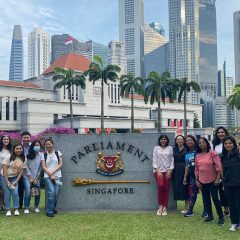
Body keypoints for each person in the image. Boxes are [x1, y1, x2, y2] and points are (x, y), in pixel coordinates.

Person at [195, 137, 224, 226]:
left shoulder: (212, 153)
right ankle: (210, 216)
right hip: (202, 180)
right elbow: (196, 169)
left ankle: (221, 217)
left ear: (207, 143)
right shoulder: (197, 155)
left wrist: (218, 178)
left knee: (215, 198)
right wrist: (197, 180)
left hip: (213, 180)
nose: (201, 144)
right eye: (199, 143)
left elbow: (218, 166)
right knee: (206, 199)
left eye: (203, 142)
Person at [2, 143, 27, 216]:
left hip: (14, 177)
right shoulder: (9, 156)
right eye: (17, 148)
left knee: (15, 193)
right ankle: (8, 210)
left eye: (20, 148)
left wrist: (16, 181)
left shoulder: (24, 158)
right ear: (14, 149)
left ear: (22, 149)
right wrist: (7, 182)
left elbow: (22, 171)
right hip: (4, 177)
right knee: (7, 193)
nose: (19, 150)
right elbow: (4, 169)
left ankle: (16, 209)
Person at [222, 136, 240, 231]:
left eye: (230, 143)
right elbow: (223, 171)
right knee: (231, 204)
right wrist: (224, 183)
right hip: (227, 184)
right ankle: (235, 223)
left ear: (234, 144)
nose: (228, 145)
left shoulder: (238, 155)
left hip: (238, 184)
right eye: (225, 144)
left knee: (238, 204)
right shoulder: (223, 156)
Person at [153, 135, 174, 216]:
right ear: (160, 140)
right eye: (162, 139)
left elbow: (172, 159)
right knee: (161, 186)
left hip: (168, 171)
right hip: (158, 171)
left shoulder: (170, 148)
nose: (163, 140)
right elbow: (154, 159)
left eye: (165, 139)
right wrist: (157, 170)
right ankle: (160, 206)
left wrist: (170, 170)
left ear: (167, 140)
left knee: (166, 188)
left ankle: (165, 207)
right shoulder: (156, 148)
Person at [42, 138, 63, 217]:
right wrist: (50, 174)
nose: (48, 146)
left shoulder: (58, 153)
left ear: (52, 144)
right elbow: (43, 166)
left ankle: (52, 207)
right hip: (47, 176)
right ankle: (49, 211)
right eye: (46, 144)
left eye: (49, 144)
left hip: (58, 176)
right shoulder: (43, 154)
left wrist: (53, 172)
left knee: (56, 193)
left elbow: (60, 164)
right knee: (51, 192)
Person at [212, 126, 230, 216]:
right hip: (218, 171)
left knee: (230, 189)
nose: (220, 134)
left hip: (229, 169)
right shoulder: (215, 145)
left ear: (225, 133)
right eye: (218, 132)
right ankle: (226, 208)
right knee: (221, 190)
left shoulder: (230, 143)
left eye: (222, 132)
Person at [23, 140, 42, 214]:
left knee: (38, 192)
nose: (37, 147)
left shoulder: (42, 155)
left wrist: (36, 178)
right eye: (35, 145)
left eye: (38, 145)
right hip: (27, 177)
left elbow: (41, 167)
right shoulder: (27, 155)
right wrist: (30, 177)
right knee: (28, 191)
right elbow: (26, 166)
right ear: (32, 146)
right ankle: (26, 207)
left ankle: (36, 206)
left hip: (37, 177)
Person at [183, 135, 198, 217]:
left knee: (205, 193)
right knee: (193, 193)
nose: (189, 142)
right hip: (192, 176)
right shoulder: (187, 153)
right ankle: (190, 210)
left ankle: (206, 211)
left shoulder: (199, 150)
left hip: (202, 175)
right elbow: (187, 165)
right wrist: (185, 177)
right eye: (187, 141)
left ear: (194, 141)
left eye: (191, 140)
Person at [173, 135, 188, 213]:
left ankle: (186, 207)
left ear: (184, 141)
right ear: (175, 141)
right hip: (175, 170)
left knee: (185, 187)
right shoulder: (173, 149)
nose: (179, 141)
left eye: (181, 139)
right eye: (178, 139)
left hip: (185, 169)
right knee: (177, 187)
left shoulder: (187, 149)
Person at [19, 131, 32, 209]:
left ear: (30, 138)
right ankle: (20, 204)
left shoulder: (33, 147)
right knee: (20, 189)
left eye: (27, 137)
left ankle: (27, 203)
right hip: (20, 171)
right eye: (24, 137)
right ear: (22, 138)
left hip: (30, 171)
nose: (26, 139)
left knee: (28, 188)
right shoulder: (19, 146)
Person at [0, 135, 12, 210]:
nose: (6, 140)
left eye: (7, 139)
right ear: (2, 140)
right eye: (4, 139)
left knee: (5, 189)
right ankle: (0, 204)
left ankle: (3, 203)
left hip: (7, 173)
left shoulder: (11, 150)